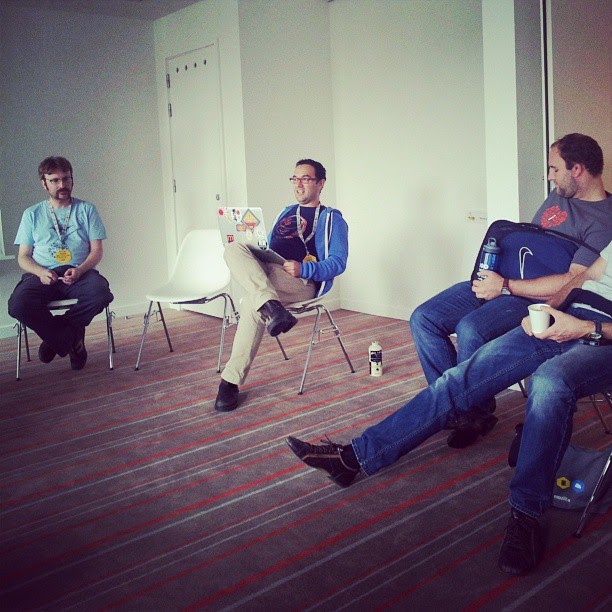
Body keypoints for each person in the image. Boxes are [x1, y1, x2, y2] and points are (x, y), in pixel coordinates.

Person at [287, 241, 612, 576]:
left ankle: (527, 513)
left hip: (602, 339)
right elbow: (587, 275)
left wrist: (590, 328)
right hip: (564, 319)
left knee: (549, 384)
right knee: (458, 379)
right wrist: (549, 309)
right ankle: (353, 458)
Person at [410, 133, 612, 448]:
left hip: (526, 295)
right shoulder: (560, 195)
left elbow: (572, 281)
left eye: (554, 169)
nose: (549, 176)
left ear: (578, 170)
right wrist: (496, 278)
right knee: (423, 318)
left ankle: (471, 412)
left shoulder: (604, 219)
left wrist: (504, 287)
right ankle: (456, 411)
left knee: (470, 328)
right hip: (500, 277)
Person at [214, 159, 349, 412]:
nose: (298, 184)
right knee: (233, 248)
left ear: (320, 184)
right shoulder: (285, 212)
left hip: (301, 281)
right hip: (270, 271)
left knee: (253, 300)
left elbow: (339, 263)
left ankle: (230, 381)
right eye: (295, 178)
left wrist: (304, 268)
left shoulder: (332, 219)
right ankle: (272, 307)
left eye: (305, 179)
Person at [8, 156, 113, 371]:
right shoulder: (32, 214)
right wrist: (41, 272)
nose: (62, 185)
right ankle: (72, 341)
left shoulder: (87, 210)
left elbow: (96, 252)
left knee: (100, 293)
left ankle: (55, 340)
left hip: (79, 273)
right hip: (42, 274)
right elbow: (24, 257)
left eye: (66, 178)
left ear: (72, 179)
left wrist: (81, 269)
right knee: (18, 304)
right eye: (54, 180)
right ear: (44, 183)